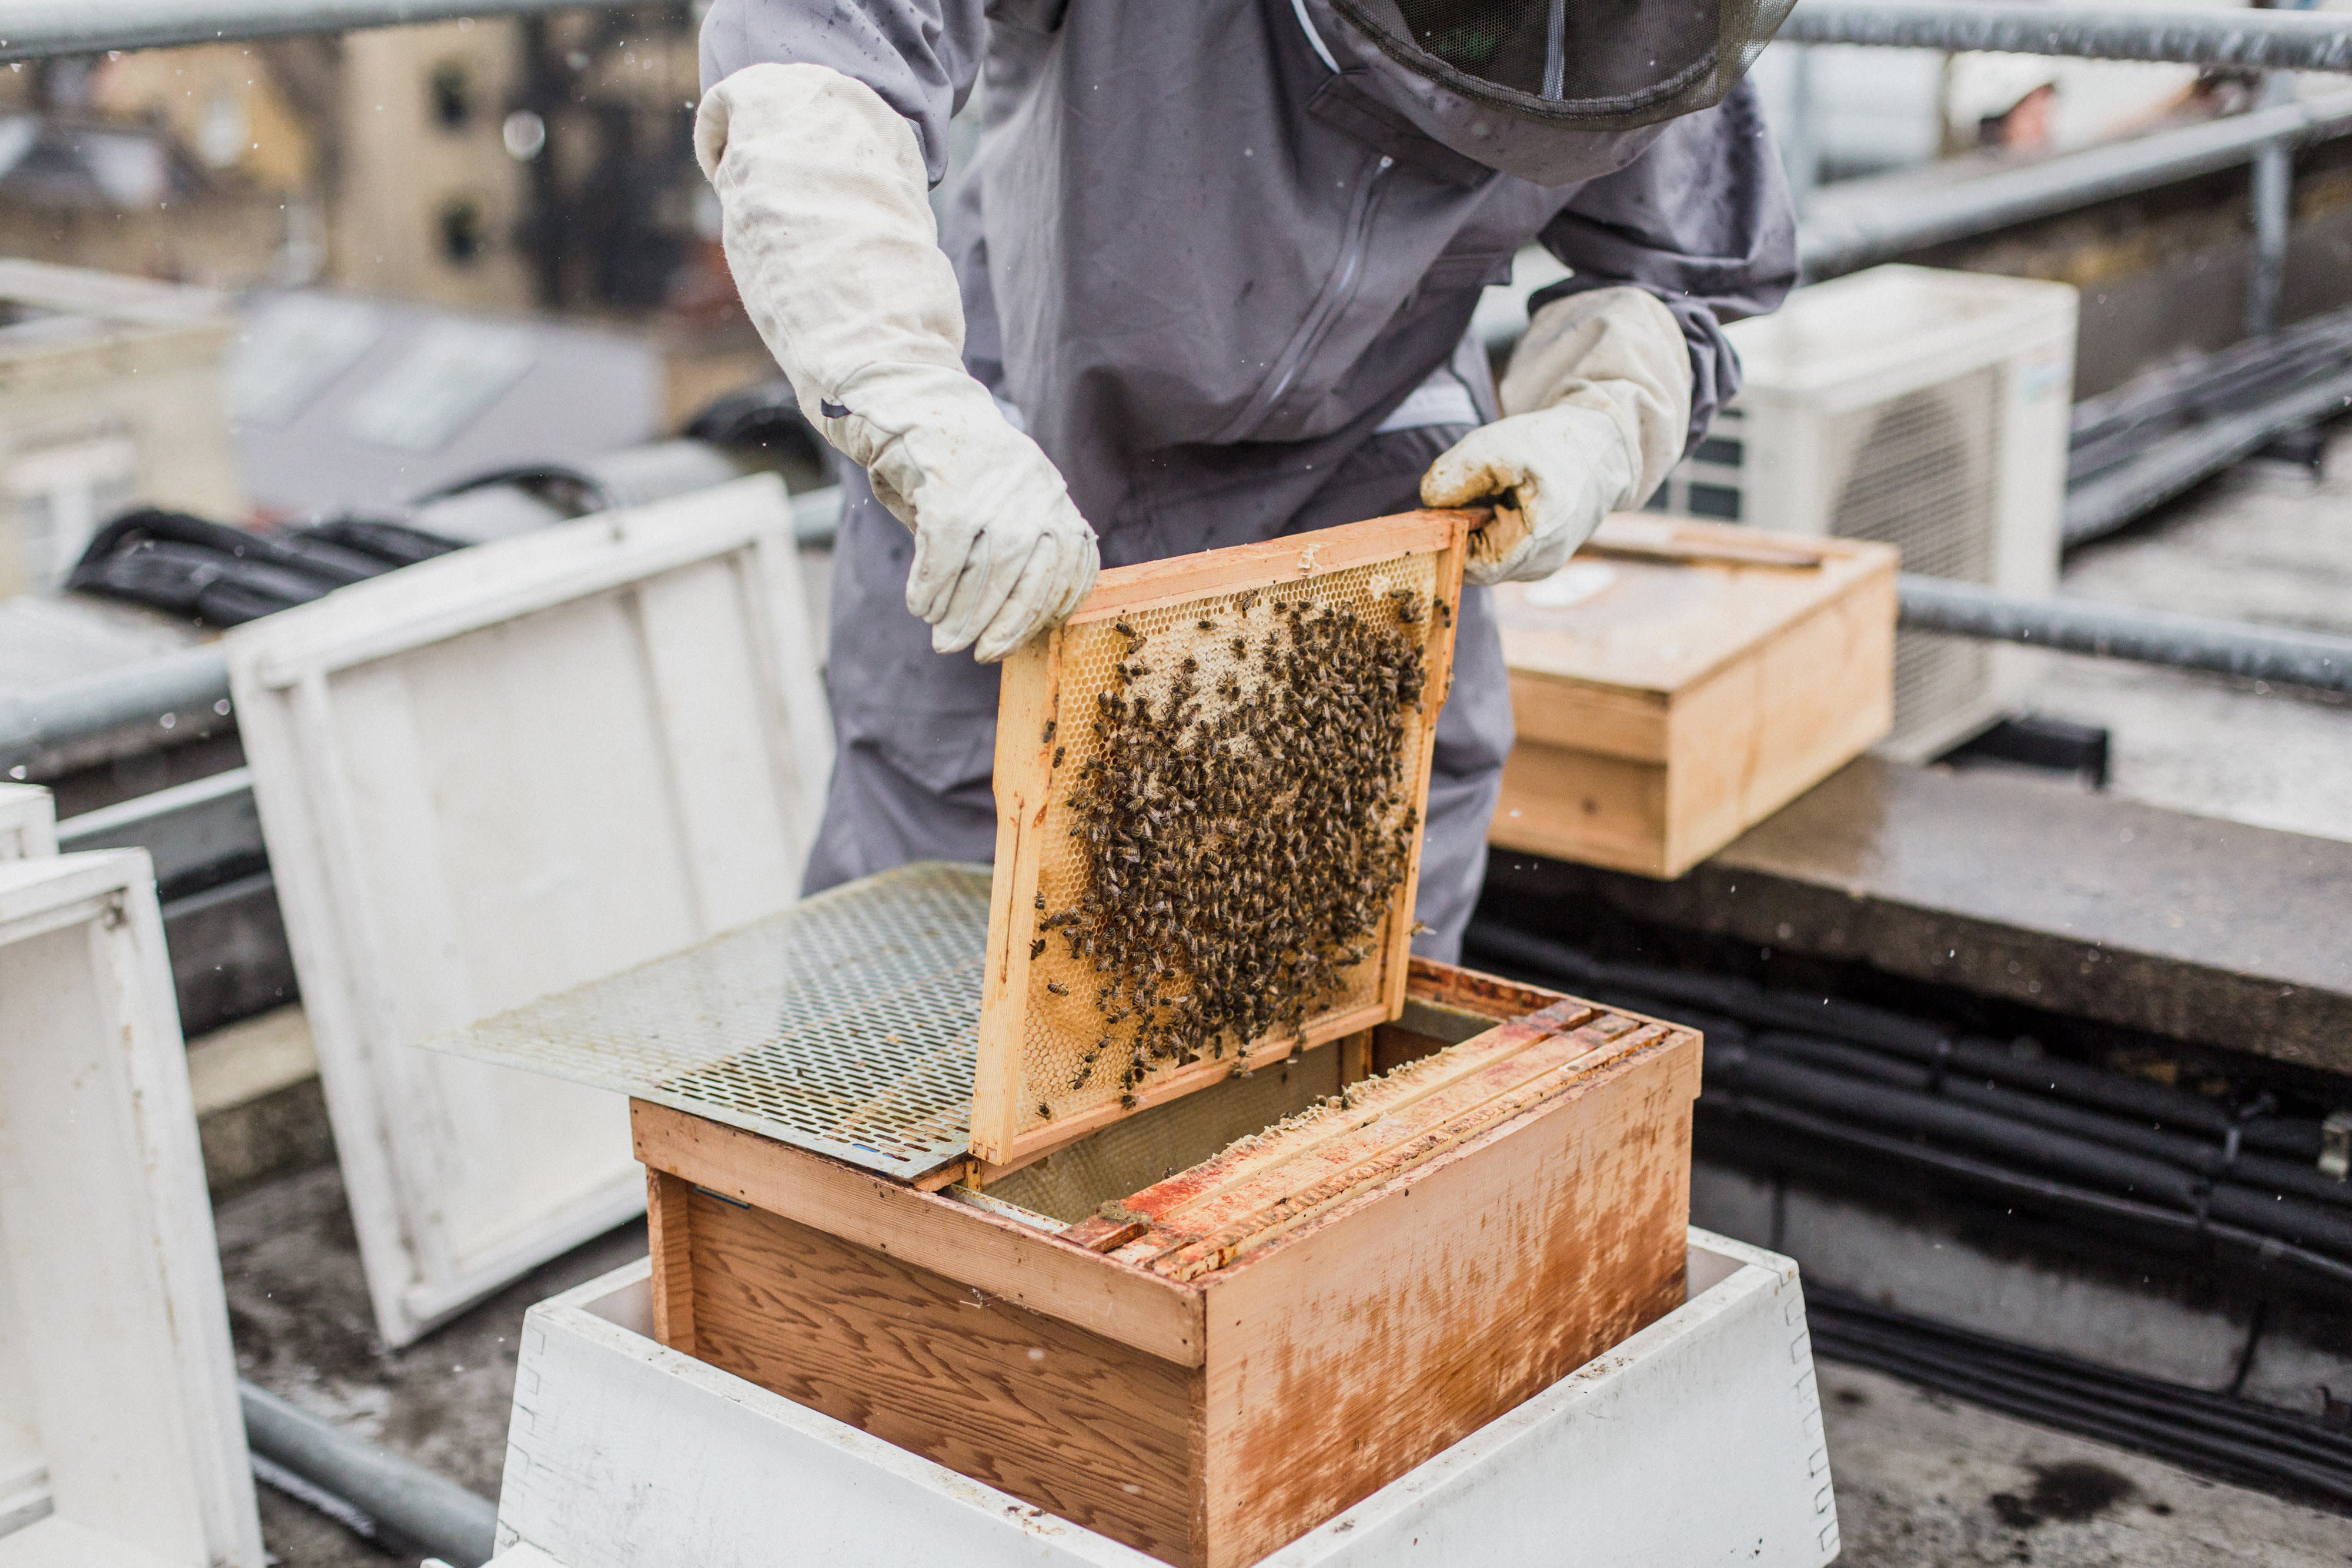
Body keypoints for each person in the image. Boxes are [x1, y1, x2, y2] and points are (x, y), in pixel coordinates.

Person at [696, 1, 1799, 961]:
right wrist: (909, 399)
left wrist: (1604, 415)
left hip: (1370, 515)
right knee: (928, 990)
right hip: (1022, 471)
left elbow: (1684, 269)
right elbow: (812, 65)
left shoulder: (1655, 25)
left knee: (1338, 1044)